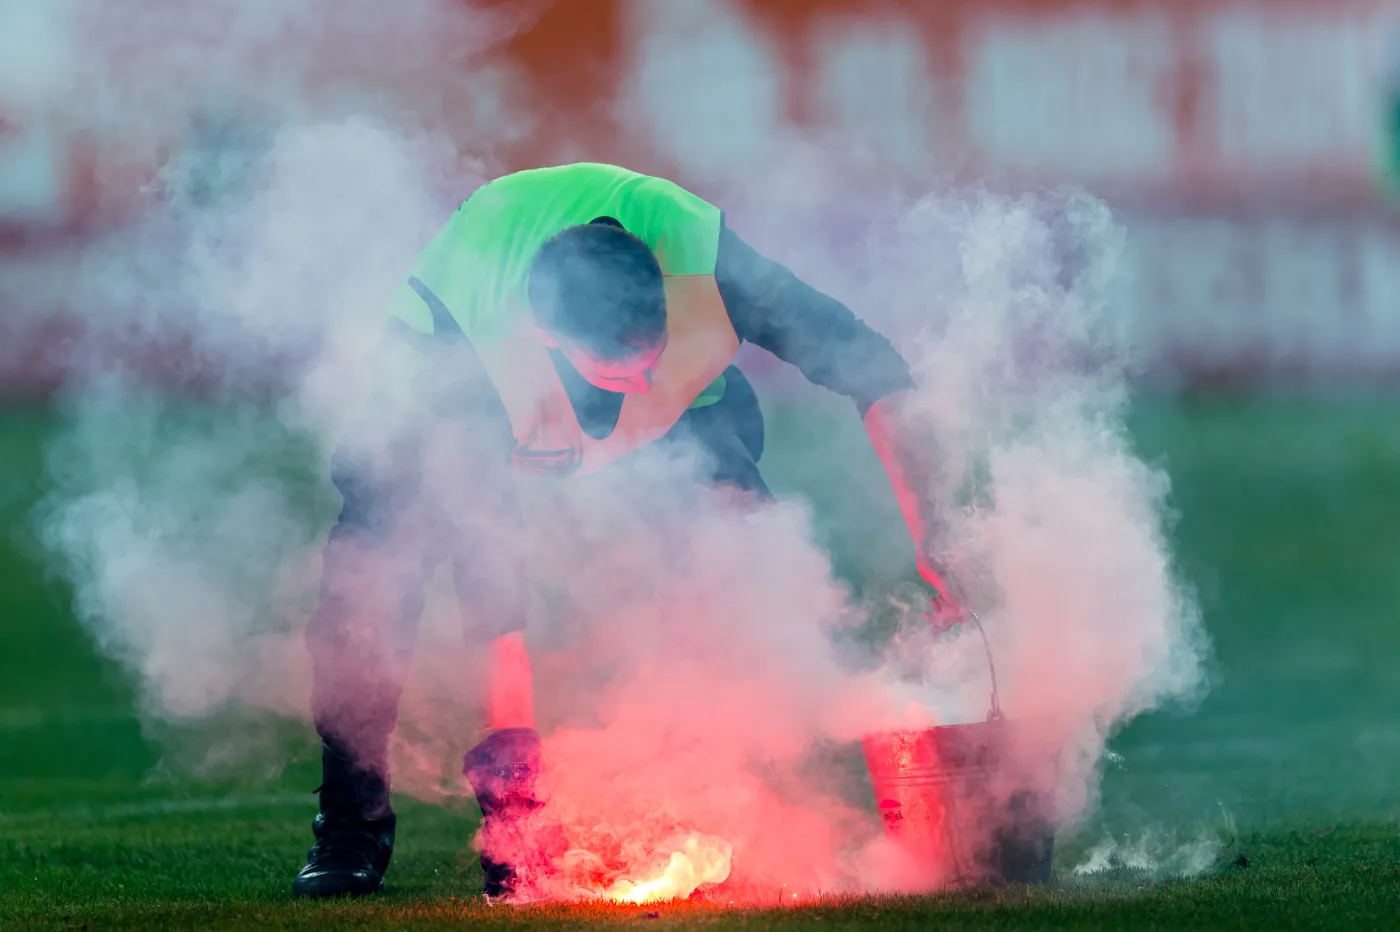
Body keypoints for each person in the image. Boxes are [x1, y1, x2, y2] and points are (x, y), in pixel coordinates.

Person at [291, 162, 960, 899]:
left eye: (655, 357)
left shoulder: (712, 266)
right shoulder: (467, 358)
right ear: (549, 338)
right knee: (370, 590)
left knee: (738, 558)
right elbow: (490, 579)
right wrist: (511, 807)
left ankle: (705, 790)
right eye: (619, 374)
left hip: (661, 396)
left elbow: (877, 369)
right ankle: (352, 825)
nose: (645, 387)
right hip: (441, 377)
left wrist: (938, 536)